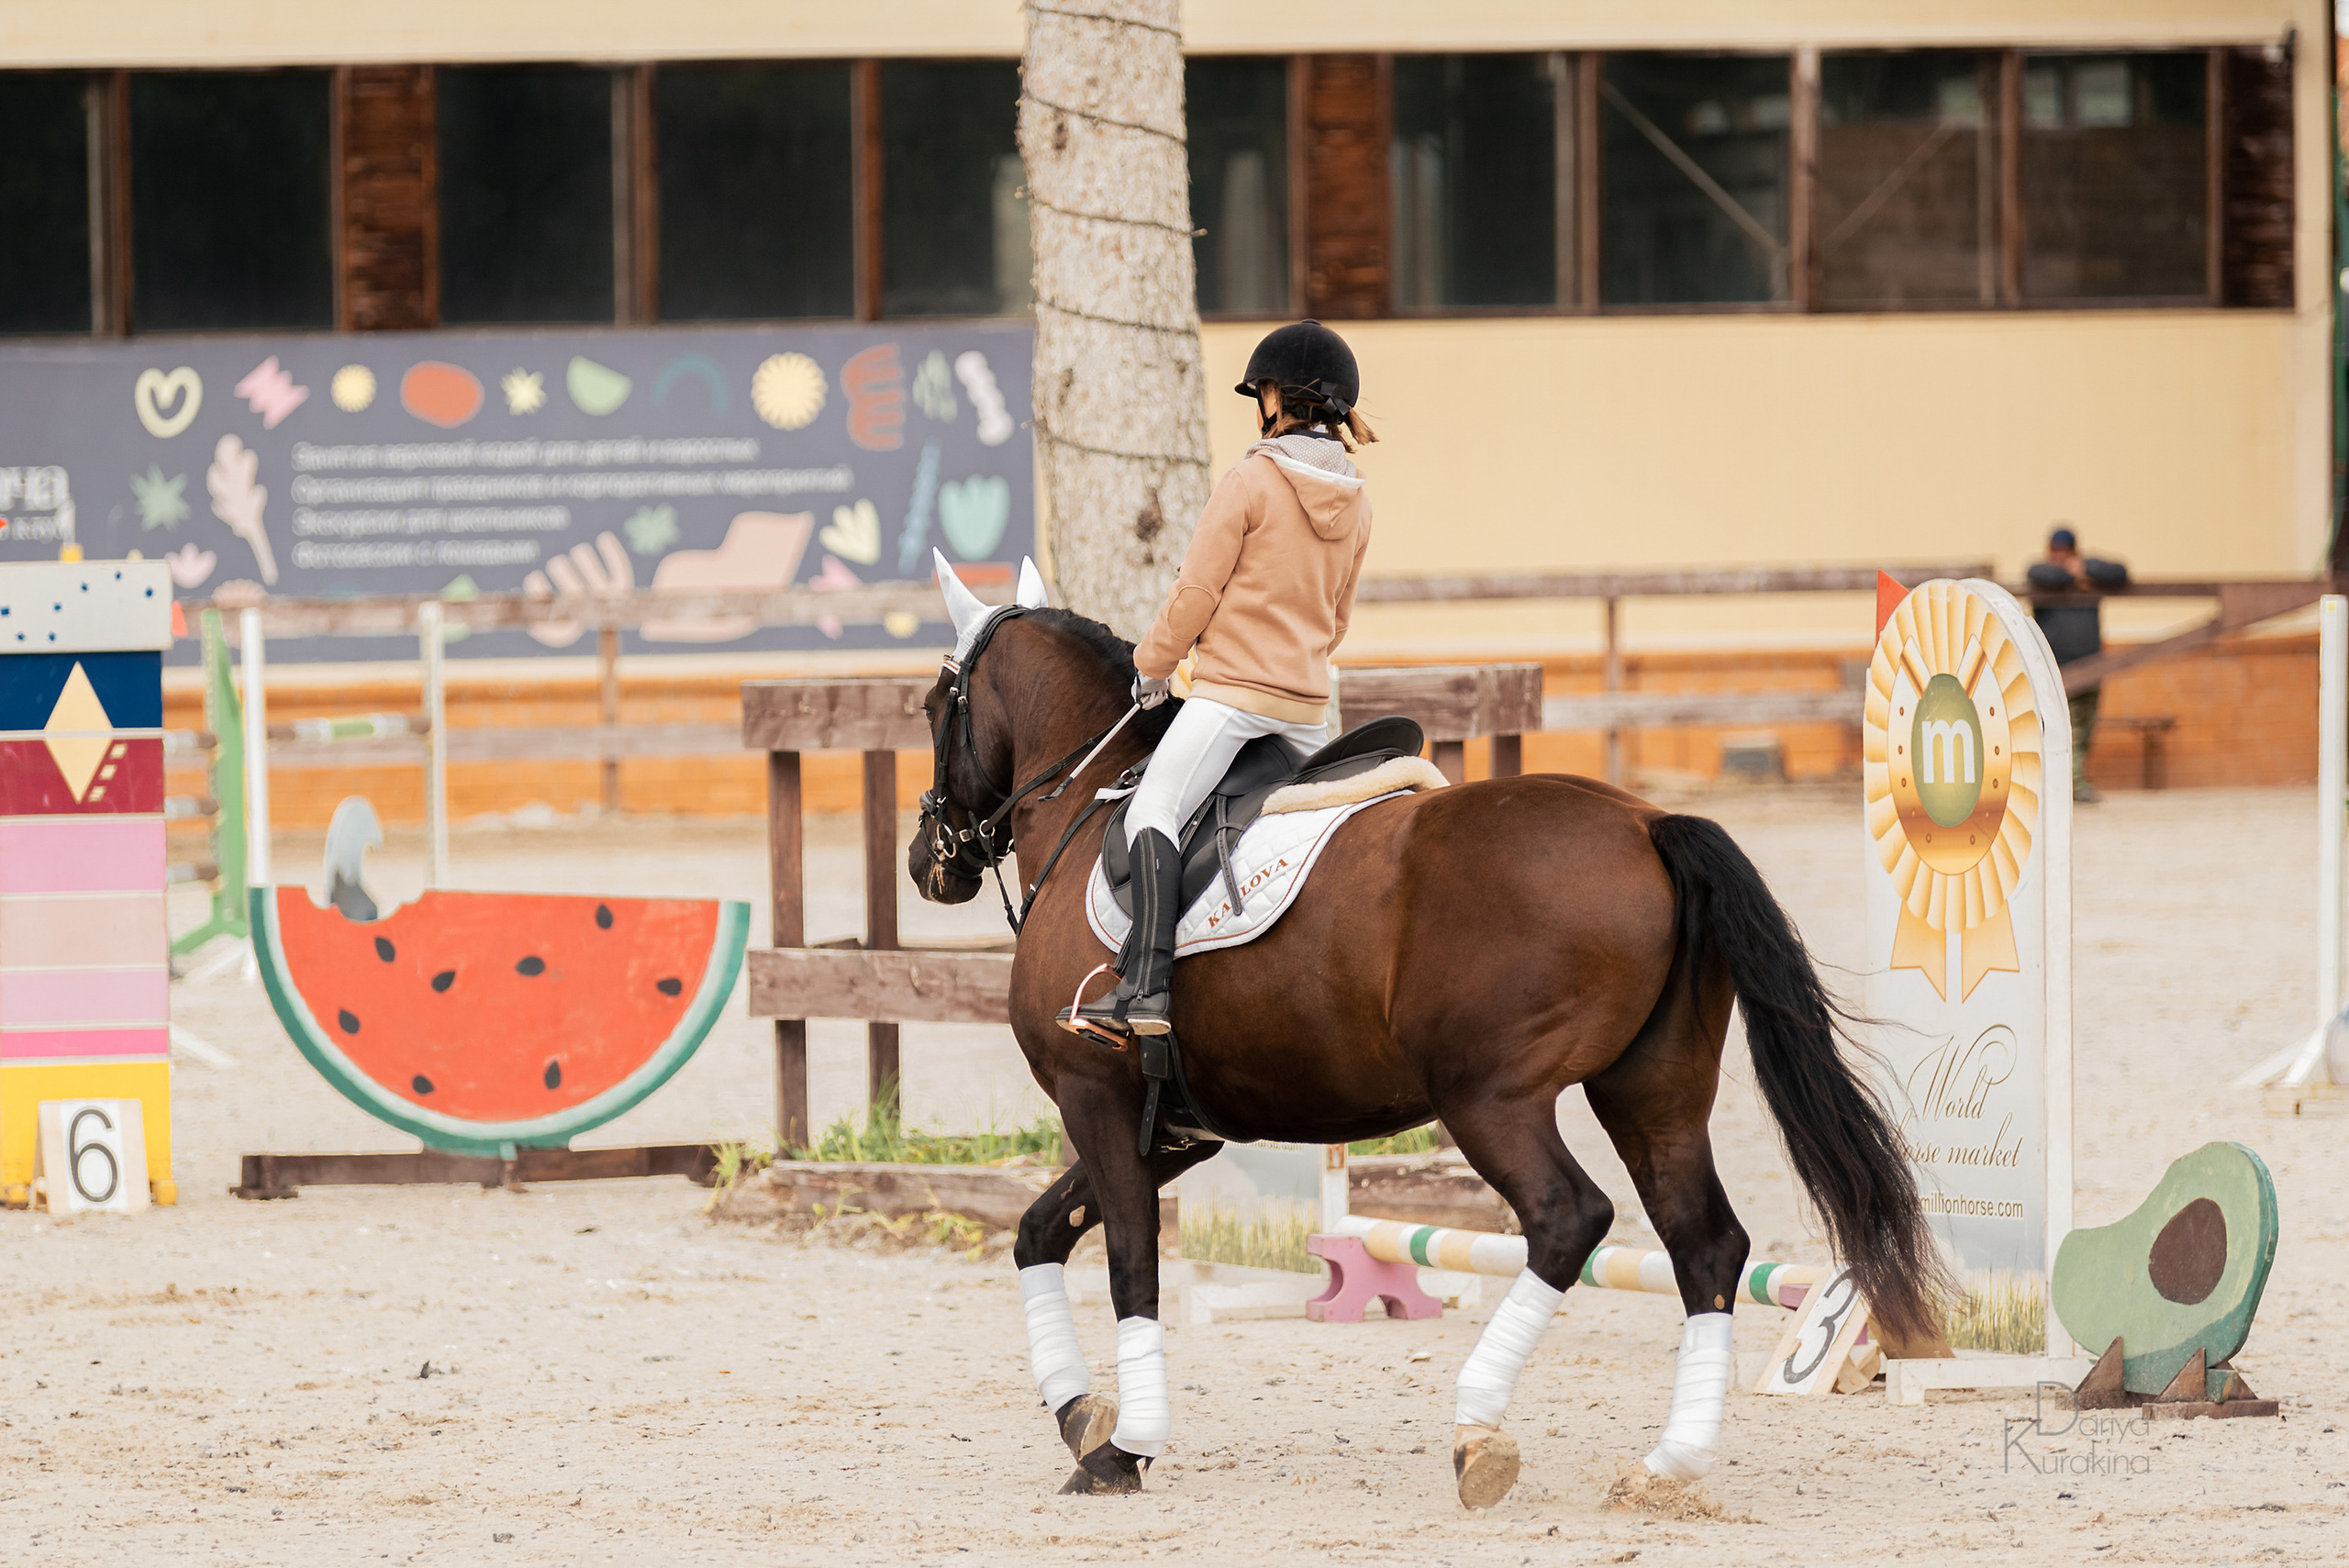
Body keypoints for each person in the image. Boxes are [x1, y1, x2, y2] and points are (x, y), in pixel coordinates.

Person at [1063, 320, 1376, 1036]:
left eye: (1262, 389)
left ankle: (1145, 987)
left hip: (1233, 697)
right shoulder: (1357, 498)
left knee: (1153, 811)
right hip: (1306, 709)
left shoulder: (1249, 480)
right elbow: (1337, 620)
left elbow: (1197, 596)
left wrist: (1151, 666)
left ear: (1276, 397)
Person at [2026, 527, 2130, 803]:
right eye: (2055, 551)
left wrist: (2084, 567)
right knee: (2060, 727)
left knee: (2087, 726)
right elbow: (2038, 573)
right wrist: (2072, 574)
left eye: (2065, 552)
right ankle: (2062, 785)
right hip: (2057, 668)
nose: (2059, 557)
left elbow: (2120, 572)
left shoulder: (2089, 569)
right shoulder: (2043, 574)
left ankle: (2076, 783)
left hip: (2091, 662)